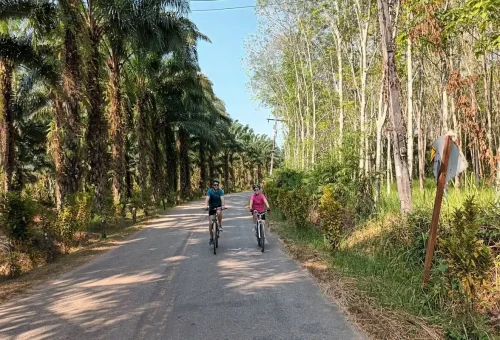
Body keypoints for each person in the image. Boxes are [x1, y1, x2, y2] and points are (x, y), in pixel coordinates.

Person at [204, 179, 225, 245]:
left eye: (217, 185)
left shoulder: (220, 191)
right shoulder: (209, 191)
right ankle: (211, 238)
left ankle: (220, 225)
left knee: (219, 212)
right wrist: (205, 205)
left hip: (218, 206)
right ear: (213, 185)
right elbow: (207, 198)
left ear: (218, 185)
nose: (216, 186)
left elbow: (222, 198)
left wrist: (223, 205)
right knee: (210, 223)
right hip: (211, 207)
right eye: (214, 185)